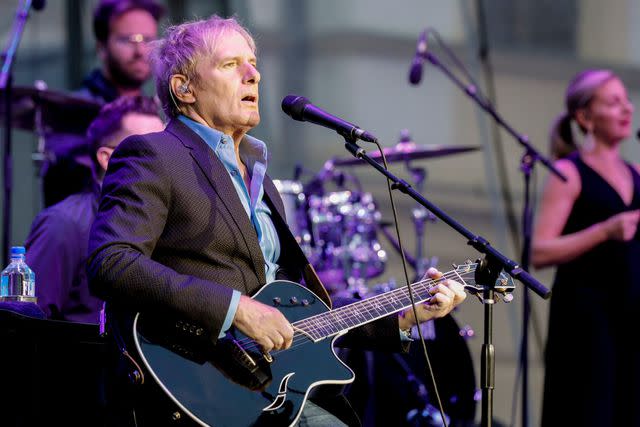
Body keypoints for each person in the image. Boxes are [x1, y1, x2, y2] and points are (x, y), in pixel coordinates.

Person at [87, 15, 467, 427]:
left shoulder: (260, 181)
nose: (253, 74)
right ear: (185, 88)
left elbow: (302, 312)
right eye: (231, 65)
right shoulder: (156, 154)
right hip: (200, 386)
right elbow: (112, 262)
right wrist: (236, 310)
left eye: (253, 63)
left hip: (274, 392)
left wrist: (406, 317)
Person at [532, 69, 640, 427]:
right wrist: (603, 231)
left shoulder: (636, 173)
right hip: (587, 323)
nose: (626, 109)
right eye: (613, 102)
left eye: (626, 101)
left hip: (630, 316)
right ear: (585, 117)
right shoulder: (570, 172)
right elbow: (539, 251)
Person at [25, 95, 165, 323]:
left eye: (165, 148)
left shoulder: (163, 219)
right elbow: (25, 326)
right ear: (107, 159)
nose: (163, 159)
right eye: (148, 148)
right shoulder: (63, 225)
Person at [42, 0, 165, 208]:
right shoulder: (75, 110)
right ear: (102, 47)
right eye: (128, 40)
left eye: (148, 40)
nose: (141, 51)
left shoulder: (157, 106)